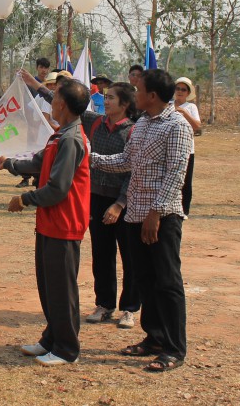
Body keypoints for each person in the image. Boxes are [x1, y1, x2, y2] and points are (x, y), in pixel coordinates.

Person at [89, 68, 192, 373]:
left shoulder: (177, 126)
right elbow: (127, 161)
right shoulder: (143, 123)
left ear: (153, 95)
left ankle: (174, 348)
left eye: (139, 89)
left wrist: (155, 213)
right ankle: (154, 338)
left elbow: (176, 173)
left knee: (167, 281)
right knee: (145, 278)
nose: (135, 93)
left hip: (161, 217)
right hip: (135, 213)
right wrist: (90, 157)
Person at [0, 79, 91, 366]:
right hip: (50, 222)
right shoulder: (59, 135)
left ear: (63, 104)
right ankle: (51, 339)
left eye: (55, 97)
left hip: (64, 224)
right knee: (49, 286)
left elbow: (58, 188)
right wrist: (8, 164)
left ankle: (67, 349)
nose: (51, 102)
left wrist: (25, 199)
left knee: (62, 289)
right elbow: (38, 162)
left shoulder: (71, 139)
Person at [81, 82, 139, 329]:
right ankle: (104, 304)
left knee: (130, 256)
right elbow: (68, 102)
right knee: (101, 253)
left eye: (111, 97)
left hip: (124, 203)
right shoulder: (96, 123)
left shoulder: (134, 130)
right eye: (105, 97)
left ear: (124, 104)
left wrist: (119, 204)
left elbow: (133, 171)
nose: (106, 101)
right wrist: (35, 85)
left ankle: (130, 308)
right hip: (96, 198)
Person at [172, 77, 200, 216]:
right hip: (171, 148)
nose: (180, 92)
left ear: (188, 92)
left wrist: (184, 113)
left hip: (188, 149)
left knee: (186, 180)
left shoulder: (191, 107)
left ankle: (185, 210)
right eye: (178, 88)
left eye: (183, 89)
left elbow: (197, 126)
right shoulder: (168, 105)